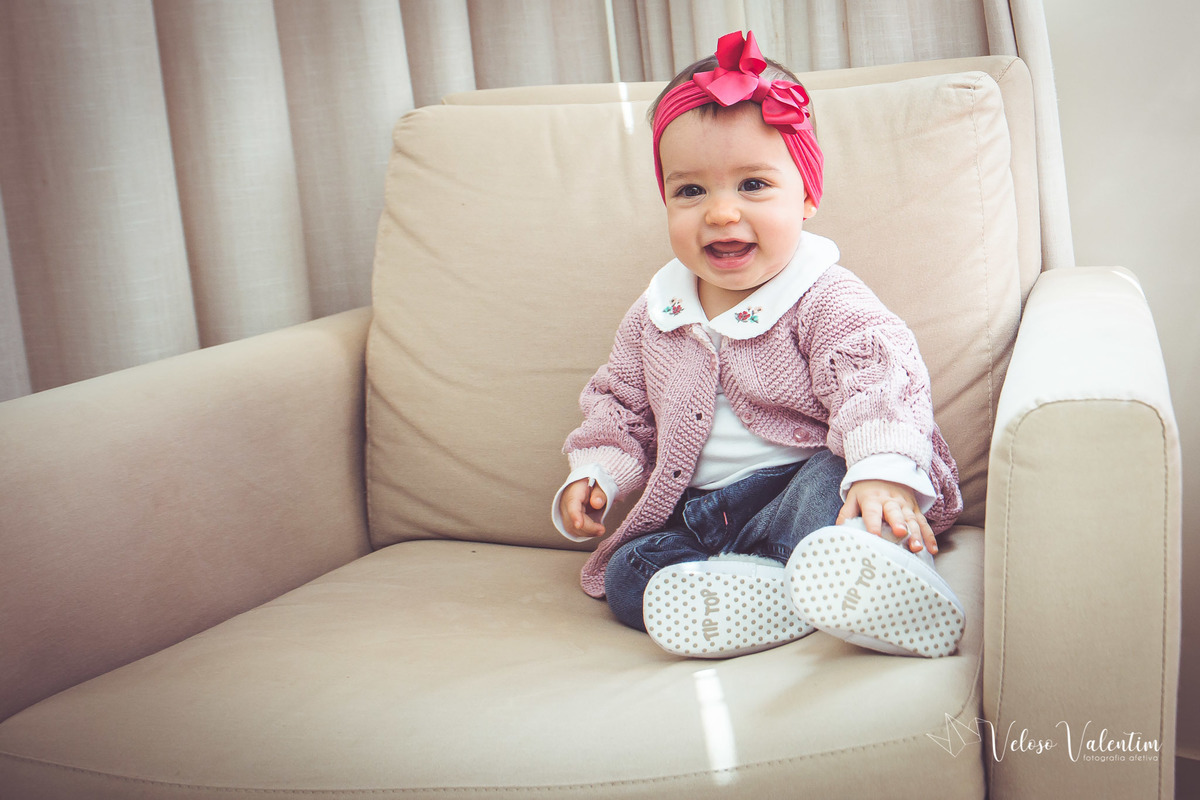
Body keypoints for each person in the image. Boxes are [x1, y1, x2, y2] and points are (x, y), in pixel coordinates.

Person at [552, 30, 965, 660]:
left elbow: (878, 383)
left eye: (752, 185)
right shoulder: (655, 314)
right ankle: (781, 593)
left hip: (800, 488)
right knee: (626, 576)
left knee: (838, 485)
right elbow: (621, 407)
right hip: (700, 516)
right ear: (665, 200)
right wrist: (598, 474)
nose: (720, 213)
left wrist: (882, 474)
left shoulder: (823, 297)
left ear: (807, 195)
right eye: (691, 191)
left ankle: (848, 574)